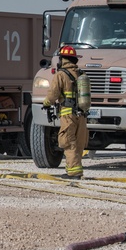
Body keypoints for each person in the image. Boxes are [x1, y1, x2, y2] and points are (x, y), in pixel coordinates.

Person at [42, 45, 89, 180]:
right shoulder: (81, 74)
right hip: (82, 115)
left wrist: (46, 103)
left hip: (68, 114)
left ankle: (74, 172)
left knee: (68, 141)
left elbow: (53, 95)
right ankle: (72, 169)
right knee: (78, 142)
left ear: (62, 59)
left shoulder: (61, 75)